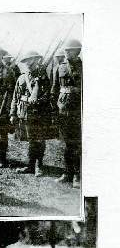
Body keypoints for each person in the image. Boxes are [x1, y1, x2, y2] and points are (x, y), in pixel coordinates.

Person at [10, 51, 52, 177]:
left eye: (30, 60)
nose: (28, 63)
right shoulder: (22, 78)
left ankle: (39, 166)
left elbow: (49, 94)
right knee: (31, 139)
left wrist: (38, 98)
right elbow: (15, 97)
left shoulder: (43, 77)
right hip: (25, 112)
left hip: (39, 112)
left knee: (39, 138)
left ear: (36, 60)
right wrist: (13, 113)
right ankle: (30, 165)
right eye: (25, 61)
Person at [51, 39, 82, 188]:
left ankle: (77, 175)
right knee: (67, 144)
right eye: (66, 50)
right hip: (63, 110)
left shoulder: (84, 67)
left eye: (70, 50)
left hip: (78, 111)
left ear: (77, 51)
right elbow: (55, 89)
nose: (66, 52)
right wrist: (54, 110)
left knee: (76, 144)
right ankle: (67, 173)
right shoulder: (60, 67)